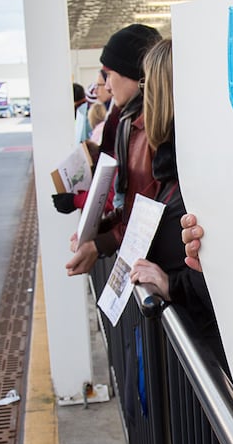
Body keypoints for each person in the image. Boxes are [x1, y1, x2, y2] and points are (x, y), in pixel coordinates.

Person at [127, 40, 233, 442]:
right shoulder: (177, 170)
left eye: (147, 83)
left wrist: (172, 284)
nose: (141, 95)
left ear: (163, 93)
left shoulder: (202, 178)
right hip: (212, 376)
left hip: (228, 378)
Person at [65, 23, 162, 276]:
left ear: (132, 73)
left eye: (108, 74)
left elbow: (149, 212)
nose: (105, 86)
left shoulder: (151, 130)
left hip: (156, 267)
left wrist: (101, 242)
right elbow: (132, 207)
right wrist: (99, 230)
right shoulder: (129, 122)